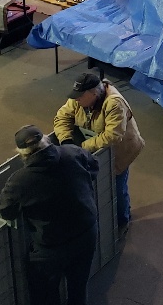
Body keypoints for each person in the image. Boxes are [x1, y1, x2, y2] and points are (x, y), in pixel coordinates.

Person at [0, 125, 98, 305]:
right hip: (86, 233)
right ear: (45, 139)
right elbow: (93, 168)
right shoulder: (73, 152)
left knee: (45, 296)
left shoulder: (19, 181)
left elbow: (6, 211)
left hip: (51, 248)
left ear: (21, 152)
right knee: (78, 288)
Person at [54, 73, 145, 231]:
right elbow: (62, 117)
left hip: (120, 151)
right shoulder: (78, 99)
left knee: (117, 186)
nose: (76, 99)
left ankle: (123, 220)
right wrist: (66, 141)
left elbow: (112, 136)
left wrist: (81, 148)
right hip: (95, 148)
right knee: (100, 185)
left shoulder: (114, 103)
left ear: (93, 93)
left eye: (80, 96)